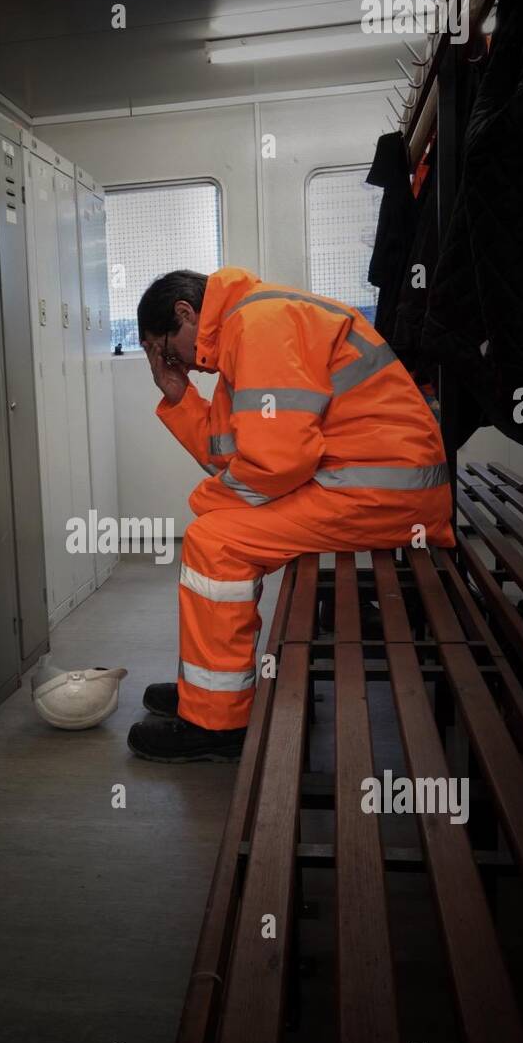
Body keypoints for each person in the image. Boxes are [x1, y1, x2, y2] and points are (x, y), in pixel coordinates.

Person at [127, 266, 455, 763]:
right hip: (366, 480)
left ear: (185, 313)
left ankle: (218, 723)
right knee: (215, 533)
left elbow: (277, 462)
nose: (181, 366)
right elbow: (225, 453)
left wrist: (208, 503)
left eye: (168, 352)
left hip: (381, 488)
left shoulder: (259, 325)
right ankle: (209, 695)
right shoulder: (247, 326)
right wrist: (178, 397)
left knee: (214, 542)